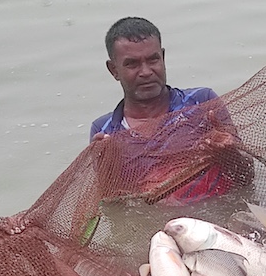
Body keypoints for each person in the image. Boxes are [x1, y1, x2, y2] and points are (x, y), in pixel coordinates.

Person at [90, 16, 253, 203]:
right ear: (114, 70)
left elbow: (247, 178)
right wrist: (107, 172)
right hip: (159, 228)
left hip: (217, 219)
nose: (146, 71)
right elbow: (115, 209)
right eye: (132, 64)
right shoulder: (105, 132)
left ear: (163, 58)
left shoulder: (201, 103)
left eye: (153, 59)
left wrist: (229, 153)